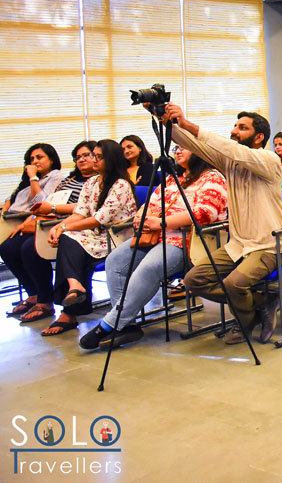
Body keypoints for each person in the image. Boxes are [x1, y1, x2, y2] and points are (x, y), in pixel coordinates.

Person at [78, 145, 228, 349]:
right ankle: (127, 326)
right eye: (176, 147)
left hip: (189, 241)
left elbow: (204, 214)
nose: (177, 151)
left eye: (184, 147)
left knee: (149, 267)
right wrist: (141, 216)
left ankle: (109, 324)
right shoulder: (174, 177)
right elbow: (151, 202)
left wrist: (162, 223)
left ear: (199, 151)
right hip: (154, 236)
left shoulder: (213, 178)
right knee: (115, 261)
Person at [165, 104, 282, 345]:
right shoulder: (230, 162)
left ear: (259, 137)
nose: (234, 131)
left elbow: (229, 148)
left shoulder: (269, 159)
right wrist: (165, 119)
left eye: (242, 128)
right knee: (193, 280)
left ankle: (245, 323)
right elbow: (194, 145)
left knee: (233, 284)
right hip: (239, 245)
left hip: (270, 246)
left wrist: (189, 124)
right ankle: (260, 303)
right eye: (235, 126)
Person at [42, 139, 135, 337]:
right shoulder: (91, 182)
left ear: (111, 159)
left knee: (70, 243)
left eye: (99, 157)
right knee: (68, 240)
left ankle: (70, 310)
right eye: (94, 155)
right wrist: (58, 227)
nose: (93, 160)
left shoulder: (121, 185)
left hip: (116, 238)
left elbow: (99, 219)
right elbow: (80, 213)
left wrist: (64, 227)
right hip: (95, 237)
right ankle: (75, 287)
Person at [1, 143, 69, 322]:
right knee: (7, 248)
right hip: (21, 221)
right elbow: (15, 198)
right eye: (32, 159)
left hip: (44, 223)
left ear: (51, 159)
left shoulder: (56, 177)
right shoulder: (33, 180)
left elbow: (43, 202)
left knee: (29, 249)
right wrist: (7, 205)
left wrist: (33, 178)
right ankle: (33, 294)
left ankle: (45, 300)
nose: (35, 162)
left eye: (39, 157)